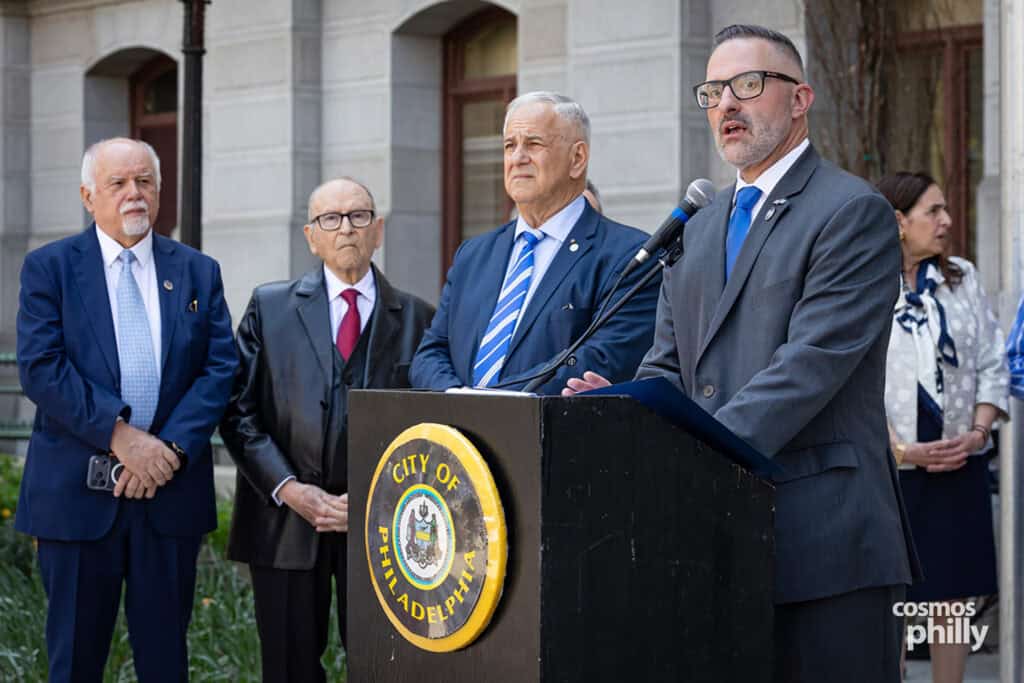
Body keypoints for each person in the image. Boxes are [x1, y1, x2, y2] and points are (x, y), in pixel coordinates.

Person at [564, 25, 917, 682]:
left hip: (826, 546)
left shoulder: (851, 212)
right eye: (714, 91)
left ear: (800, 97)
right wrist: (622, 415)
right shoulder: (698, 226)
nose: (727, 103)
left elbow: (809, 367)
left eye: (748, 85)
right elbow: (665, 366)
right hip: (714, 539)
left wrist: (683, 441)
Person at [15, 137, 237, 682]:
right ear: (89, 196)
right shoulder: (50, 269)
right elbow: (42, 368)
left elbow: (220, 367)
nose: (134, 194)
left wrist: (167, 451)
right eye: (118, 184)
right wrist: (122, 438)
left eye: (145, 182)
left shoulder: (197, 271)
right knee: (74, 662)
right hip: (76, 498)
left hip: (169, 495)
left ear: (159, 192)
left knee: (166, 662)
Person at [219, 178, 434, 683]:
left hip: (386, 525)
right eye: (330, 219)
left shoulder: (420, 319)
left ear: (378, 230)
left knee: (387, 666)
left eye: (359, 217)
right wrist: (290, 490)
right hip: (285, 521)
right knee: (290, 668)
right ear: (311, 236)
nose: (346, 229)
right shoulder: (269, 308)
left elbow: (432, 424)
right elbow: (236, 411)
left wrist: (375, 497)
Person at [410, 91, 660, 394]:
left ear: (577, 159)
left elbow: (599, 359)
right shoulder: (473, 255)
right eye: (509, 146)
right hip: (459, 437)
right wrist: (456, 398)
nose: (517, 158)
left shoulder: (630, 257)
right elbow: (431, 353)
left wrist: (490, 404)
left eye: (533, 144)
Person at [877, 172, 1008, 683]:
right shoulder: (864, 284)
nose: (947, 221)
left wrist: (978, 434)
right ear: (899, 223)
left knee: (952, 602)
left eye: (946, 209)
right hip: (891, 471)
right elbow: (852, 378)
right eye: (933, 211)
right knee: (890, 598)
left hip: (958, 463)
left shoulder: (963, 278)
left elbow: (993, 362)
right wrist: (901, 450)